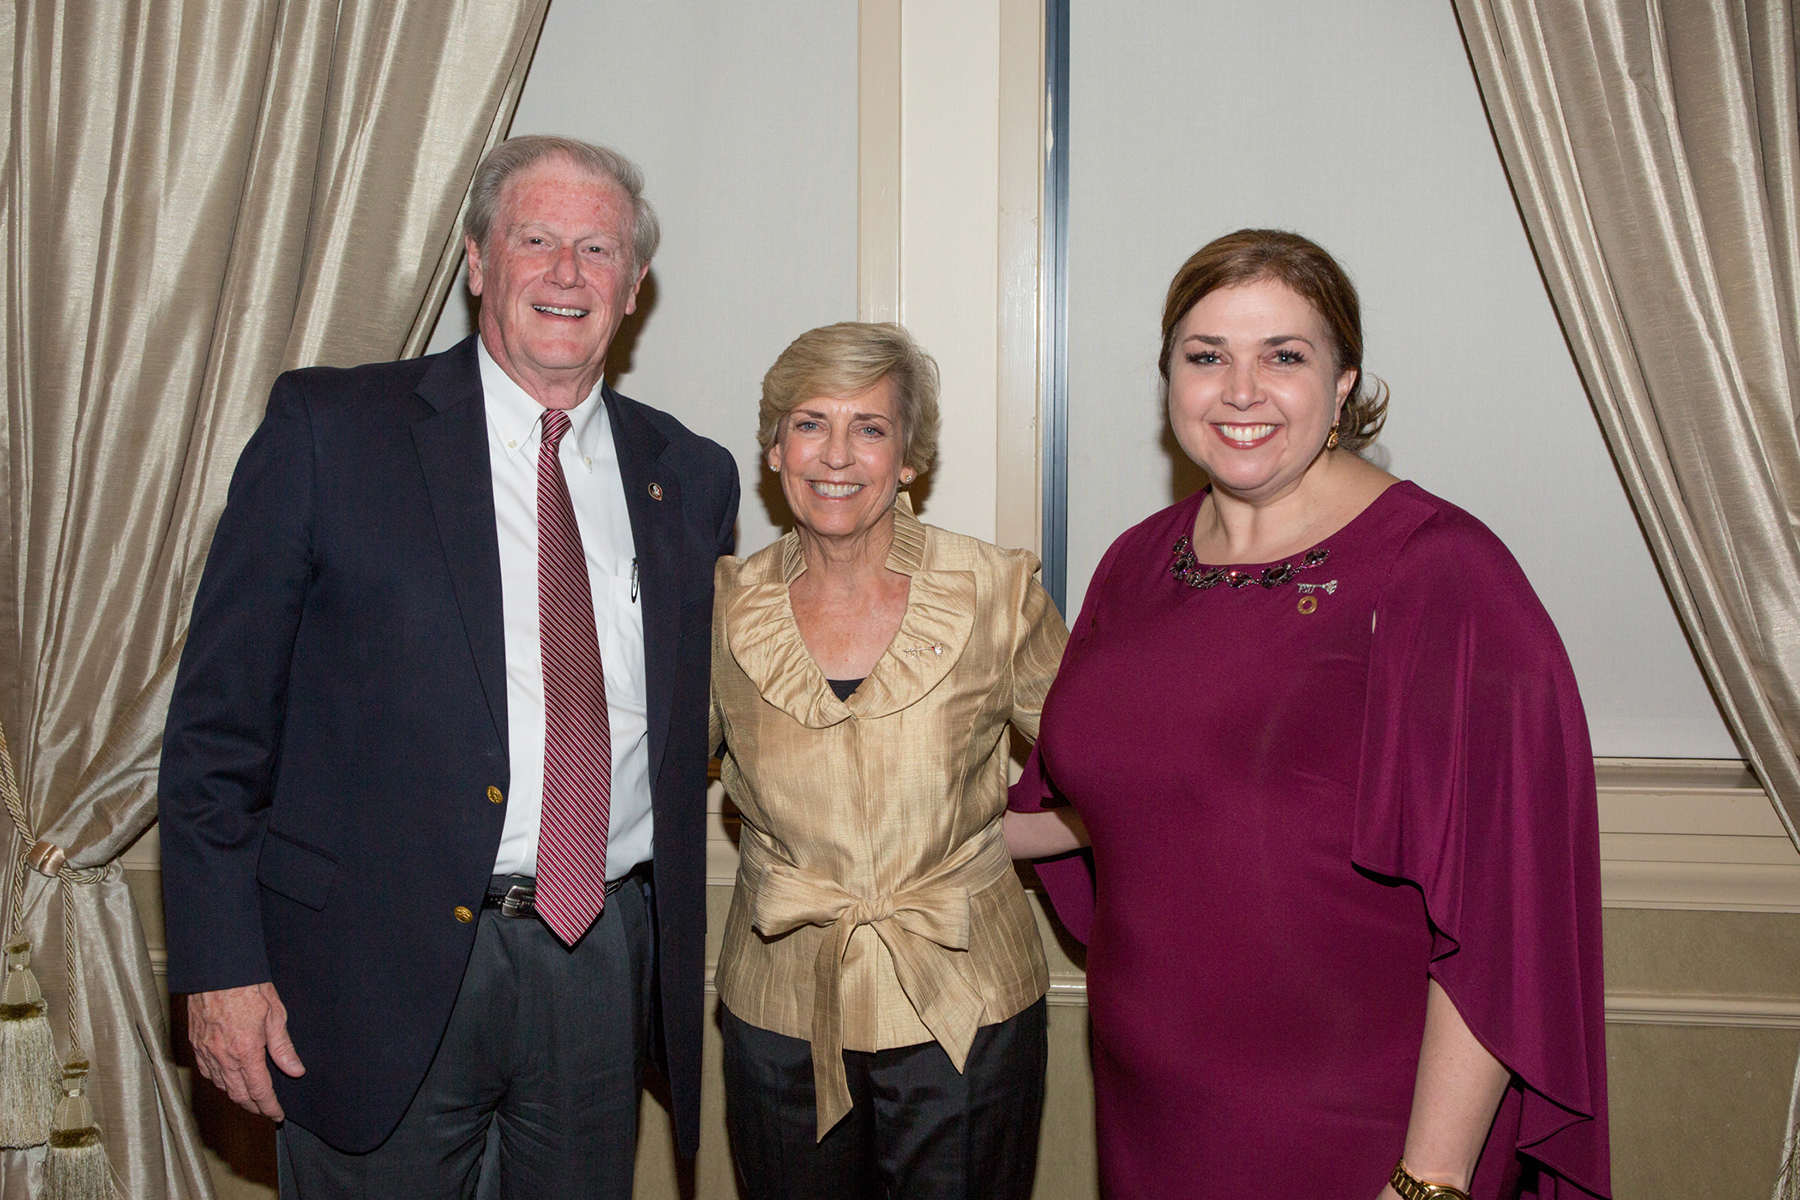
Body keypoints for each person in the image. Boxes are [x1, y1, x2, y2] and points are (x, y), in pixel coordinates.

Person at [158, 135, 739, 1197]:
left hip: (600, 958)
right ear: (477, 259)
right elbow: (217, 731)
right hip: (365, 966)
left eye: (599, 249)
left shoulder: (690, 478)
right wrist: (218, 966)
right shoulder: (332, 431)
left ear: (635, 286)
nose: (567, 273)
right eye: (535, 240)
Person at [1005, 230, 1610, 1200]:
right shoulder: (1134, 563)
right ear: (1169, 381)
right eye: (1207, 357)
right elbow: (1125, 807)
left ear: (1344, 385)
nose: (1241, 389)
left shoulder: (1439, 574)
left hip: (1355, 1137)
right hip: (1151, 1120)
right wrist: (893, 817)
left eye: (1284, 356)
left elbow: (1504, 914)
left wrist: (1430, 1182)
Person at [709, 322, 1067, 1200]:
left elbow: (1112, 773)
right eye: (808, 423)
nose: (837, 454)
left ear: (909, 457)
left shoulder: (995, 591)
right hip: (780, 1007)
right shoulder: (719, 606)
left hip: (966, 1005)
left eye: (869, 428)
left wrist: (978, 849)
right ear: (773, 448)